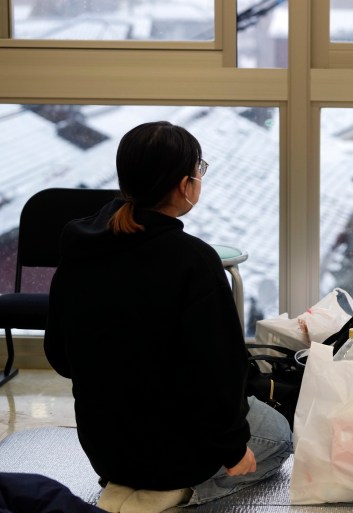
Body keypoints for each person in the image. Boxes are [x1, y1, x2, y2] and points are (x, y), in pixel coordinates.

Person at [44, 121, 292, 512]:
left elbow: (59, 356)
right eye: (200, 170)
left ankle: (130, 486)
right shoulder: (194, 261)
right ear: (185, 184)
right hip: (173, 455)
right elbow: (217, 374)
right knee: (278, 435)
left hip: (105, 449)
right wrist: (231, 448)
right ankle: (179, 490)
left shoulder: (79, 248)